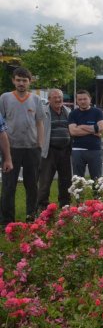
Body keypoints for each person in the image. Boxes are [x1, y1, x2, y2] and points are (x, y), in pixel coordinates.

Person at [0, 67, 45, 224]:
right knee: (8, 186)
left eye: (24, 80)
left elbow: (39, 122)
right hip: (11, 149)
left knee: (32, 186)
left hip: (31, 149)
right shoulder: (5, 98)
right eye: (18, 80)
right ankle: (7, 221)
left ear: (29, 82)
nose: (21, 83)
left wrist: (40, 144)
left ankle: (31, 218)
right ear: (13, 80)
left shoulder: (36, 99)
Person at [37, 89, 72, 210]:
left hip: (65, 151)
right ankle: (43, 208)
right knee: (45, 182)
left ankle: (65, 207)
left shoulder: (68, 111)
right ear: (49, 99)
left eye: (60, 97)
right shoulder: (43, 111)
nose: (58, 99)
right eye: (55, 97)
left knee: (66, 181)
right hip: (49, 151)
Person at [68, 90, 103, 180]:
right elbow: (73, 132)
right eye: (80, 99)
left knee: (97, 179)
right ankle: (79, 194)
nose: (83, 101)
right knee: (78, 180)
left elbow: (100, 128)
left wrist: (81, 126)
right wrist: (94, 130)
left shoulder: (97, 112)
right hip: (77, 150)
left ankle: (96, 194)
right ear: (77, 101)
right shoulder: (73, 114)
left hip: (95, 149)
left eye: (85, 99)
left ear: (90, 99)